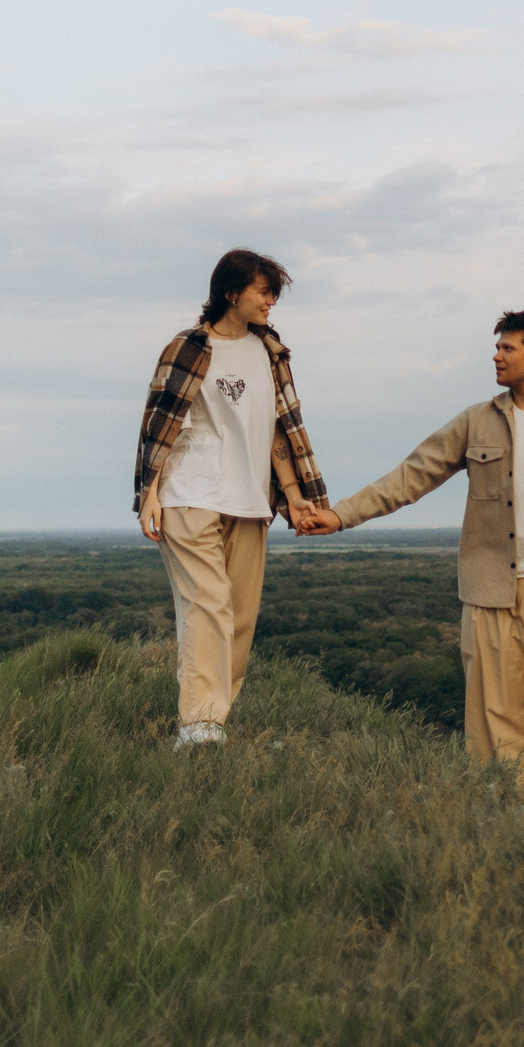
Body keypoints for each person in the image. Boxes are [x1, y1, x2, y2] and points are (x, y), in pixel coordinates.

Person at [302, 308, 524, 799]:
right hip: (492, 589)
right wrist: (341, 514)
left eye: (507, 348)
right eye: (497, 347)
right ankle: (506, 818)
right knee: (495, 725)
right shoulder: (477, 421)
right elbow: (412, 475)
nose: (495, 356)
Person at [135, 249, 339, 750]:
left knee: (239, 618)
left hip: (249, 500)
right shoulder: (188, 348)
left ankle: (210, 715)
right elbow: (160, 426)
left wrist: (294, 496)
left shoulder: (270, 352)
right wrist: (149, 495)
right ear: (231, 293)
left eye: (274, 294)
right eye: (263, 292)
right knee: (208, 606)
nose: (272, 302)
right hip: (189, 494)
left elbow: (278, 432)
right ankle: (200, 726)